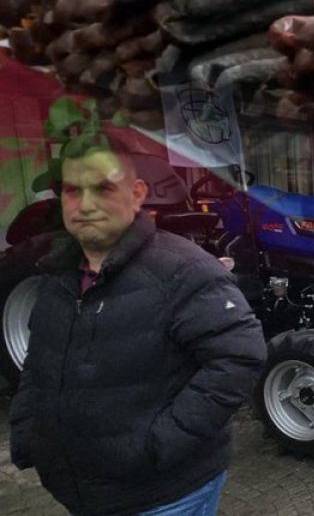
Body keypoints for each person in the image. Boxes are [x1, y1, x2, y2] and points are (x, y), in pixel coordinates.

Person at [8, 132, 266, 516]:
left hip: (162, 497)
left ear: (137, 194)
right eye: (73, 190)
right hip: (82, 491)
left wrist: (159, 444)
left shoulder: (185, 270)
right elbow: (40, 359)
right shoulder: (57, 274)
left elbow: (239, 357)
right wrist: (29, 431)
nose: (86, 204)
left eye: (103, 188)